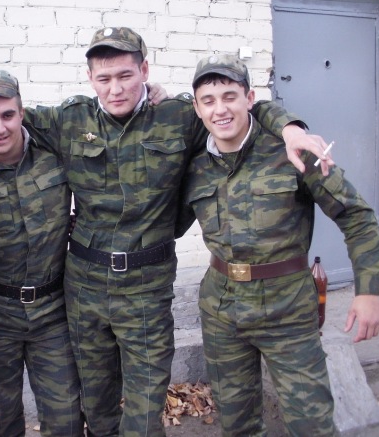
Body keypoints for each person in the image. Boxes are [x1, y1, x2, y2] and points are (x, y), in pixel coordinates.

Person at [22, 27, 334, 437]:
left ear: (144, 71)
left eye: (125, 75)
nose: (115, 88)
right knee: (97, 405)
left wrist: (291, 128)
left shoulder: (179, 116)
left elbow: (241, 107)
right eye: (104, 78)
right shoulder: (69, 119)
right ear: (90, 78)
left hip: (147, 287)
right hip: (85, 287)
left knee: (144, 411)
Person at [178, 54, 379, 436]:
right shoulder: (194, 166)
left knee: (312, 425)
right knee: (238, 425)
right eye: (208, 100)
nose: (220, 109)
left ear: (249, 98)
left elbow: (357, 217)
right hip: (221, 310)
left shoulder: (293, 151)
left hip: (287, 310)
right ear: (197, 107)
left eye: (230, 96)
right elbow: (169, 225)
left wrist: (368, 292)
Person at [0, 70, 84, 437]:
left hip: (53, 310)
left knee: (67, 419)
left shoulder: (53, 151)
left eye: (8, 114)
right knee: (1, 421)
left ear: (22, 113)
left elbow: (96, 121)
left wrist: (152, 93)